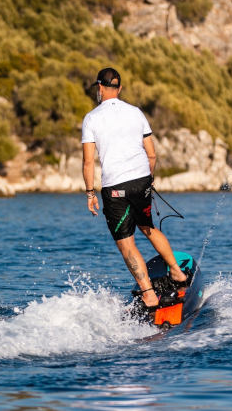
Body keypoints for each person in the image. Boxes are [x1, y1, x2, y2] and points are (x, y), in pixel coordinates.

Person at [81, 67, 188, 310]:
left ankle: (149, 295)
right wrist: (148, 181)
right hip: (141, 181)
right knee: (148, 227)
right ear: (119, 88)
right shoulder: (136, 112)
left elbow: (88, 161)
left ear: (99, 88)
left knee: (126, 242)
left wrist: (90, 193)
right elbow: (152, 154)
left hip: (115, 188)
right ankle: (177, 273)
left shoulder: (92, 118)